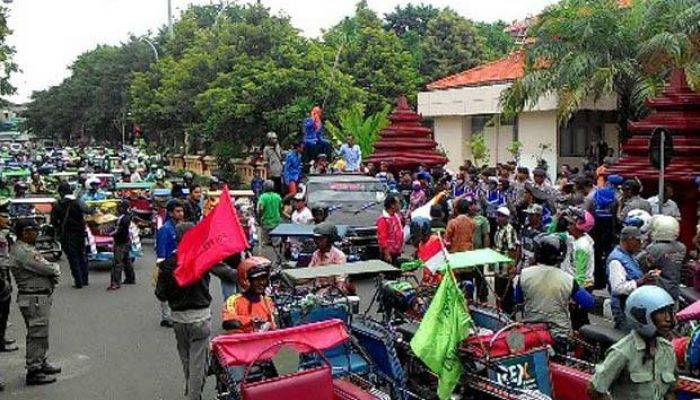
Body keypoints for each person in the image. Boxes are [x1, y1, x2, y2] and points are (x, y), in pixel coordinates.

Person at [155, 222, 237, 400]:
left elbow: (160, 294)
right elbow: (230, 274)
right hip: (200, 318)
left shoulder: (168, 265)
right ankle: (194, 395)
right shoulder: (203, 257)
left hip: (178, 320)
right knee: (198, 363)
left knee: (186, 359)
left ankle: (191, 389)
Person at [588, 285, 677, 400]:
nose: (668, 318)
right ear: (641, 316)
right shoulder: (623, 352)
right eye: (661, 313)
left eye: (669, 312)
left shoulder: (668, 350)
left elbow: (671, 391)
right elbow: (595, 389)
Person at [515, 234, 595, 345]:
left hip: (532, 333)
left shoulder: (524, 274)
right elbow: (589, 303)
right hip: (559, 335)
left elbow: (517, 300)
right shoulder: (568, 279)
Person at [10, 218, 61, 385]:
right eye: (34, 231)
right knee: (37, 334)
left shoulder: (27, 248)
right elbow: (47, 267)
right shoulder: (24, 251)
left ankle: (40, 361)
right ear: (25, 232)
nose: (37, 234)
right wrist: (55, 269)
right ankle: (34, 370)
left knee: (40, 334)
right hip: (34, 298)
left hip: (38, 297)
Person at [607, 226, 660, 331]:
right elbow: (618, 288)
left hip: (632, 308)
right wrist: (641, 281)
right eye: (638, 240)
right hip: (623, 309)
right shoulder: (616, 260)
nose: (641, 243)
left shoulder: (629, 256)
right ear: (630, 239)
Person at [51, 182, 91, 289]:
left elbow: (53, 222)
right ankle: (85, 279)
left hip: (67, 234)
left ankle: (78, 281)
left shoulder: (58, 205)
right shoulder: (78, 202)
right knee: (81, 255)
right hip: (80, 233)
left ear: (61, 193)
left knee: (72, 258)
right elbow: (88, 211)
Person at [222, 257, 277, 334]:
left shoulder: (268, 301)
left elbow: (273, 327)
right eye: (257, 279)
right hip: (242, 343)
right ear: (246, 281)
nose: (261, 283)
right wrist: (251, 321)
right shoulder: (233, 301)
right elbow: (229, 322)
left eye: (264, 278)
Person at [641, 215, 686, 301]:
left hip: (658, 290)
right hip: (674, 288)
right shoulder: (681, 247)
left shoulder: (654, 248)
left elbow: (645, 265)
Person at [156, 199, 185, 328]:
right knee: (165, 289)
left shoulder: (181, 227)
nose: (181, 213)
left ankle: (175, 314)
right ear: (171, 213)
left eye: (182, 211)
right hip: (167, 264)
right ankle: (166, 317)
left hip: (179, 263)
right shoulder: (165, 229)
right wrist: (161, 266)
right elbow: (160, 250)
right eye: (178, 211)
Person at [0, 201, 17, 362]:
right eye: (4, 216)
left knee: (5, 309)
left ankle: (2, 339)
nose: (7, 218)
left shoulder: (5, 233)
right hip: (0, 272)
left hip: (5, 270)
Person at [493, 207, 518, 313]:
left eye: (501, 216)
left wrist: (512, 267)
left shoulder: (509, 230)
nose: (499, 218)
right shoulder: (499, 229)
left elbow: (512, 250)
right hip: (498, 267)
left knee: (506, 295)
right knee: (498, 293)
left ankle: (509, 316)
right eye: (498, 215)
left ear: (507, 218)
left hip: (505, 268)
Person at [309, 223, 348, 289]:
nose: (317, 241)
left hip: (331, 293)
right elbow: (309, 273)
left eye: (321, 239)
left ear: (330, 240)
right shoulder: (316, 254)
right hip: (317, 291)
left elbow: (340, 281)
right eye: (316, 238)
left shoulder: (339, 256)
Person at [108, 200, 135, 290]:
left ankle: (115, 283)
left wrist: (111, 233)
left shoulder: (123, 218)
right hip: (126, 240)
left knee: (117, 262)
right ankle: (130, 278)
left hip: (120, 241)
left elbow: (119, 230)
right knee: (127, 260)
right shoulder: (128, 216)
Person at [376, 194, 404, 265]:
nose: (399, 205)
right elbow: (382, 238)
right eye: (398, 203)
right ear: (392, 205)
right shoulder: (383, 219)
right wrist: (387, 253)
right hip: (388, 254)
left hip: (395, 252)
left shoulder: (396, 216)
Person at [257, 180, 282, 246]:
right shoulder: (277, 196)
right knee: (276, 243)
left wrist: (259, 218)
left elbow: (260, 209)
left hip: (266, 223)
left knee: (265, 243)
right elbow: (280, 209)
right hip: (276, 223)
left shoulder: (263, 197)